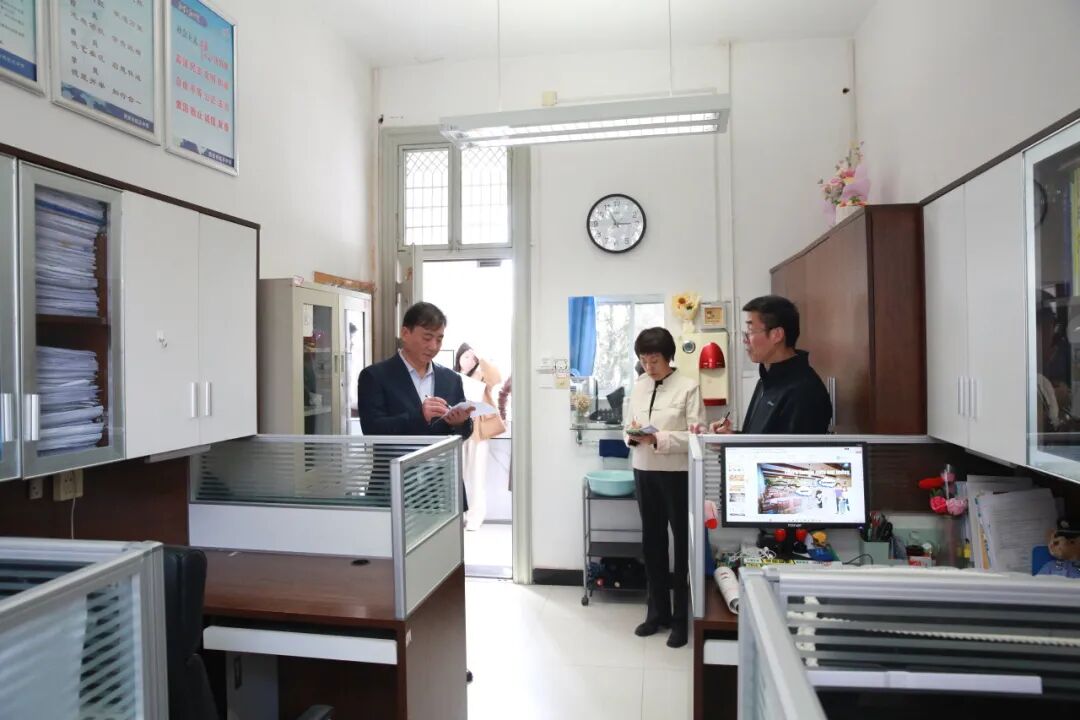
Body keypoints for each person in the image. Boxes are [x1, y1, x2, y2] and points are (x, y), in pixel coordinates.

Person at [356, 301, 475, 686]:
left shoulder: (450, 379)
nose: (434, 346)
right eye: (427, 337)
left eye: (439, 339)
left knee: (444, 579)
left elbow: (464, 433)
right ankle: (397, 658)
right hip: (394, 489)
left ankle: (445, 657)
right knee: (394, 579)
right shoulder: (375, 376)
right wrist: (419, 416)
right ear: (405, 333)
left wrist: (459, 423)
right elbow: (373, 430)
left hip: (440, 490)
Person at [625, 327, 704, 649]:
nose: (649, 366)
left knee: (682, 546)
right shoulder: (639, 386)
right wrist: (632, 436)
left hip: (676, 473)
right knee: (652, 543)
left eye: (654, 360)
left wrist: (658, 438)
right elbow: (627, 426)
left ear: (668, 357)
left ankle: (681, 620)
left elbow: (695, 436)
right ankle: (656, 613)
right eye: (644, 360)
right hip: (644, 470)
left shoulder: (688, 387)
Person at [712, 295, 831, 434]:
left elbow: (790, 448)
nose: (745, 340)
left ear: (777, 335)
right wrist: (729, 437)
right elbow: (759, 440)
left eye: (750, 331)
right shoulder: (766, 381)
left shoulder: (804, 391)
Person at [454, 343, 504, 531]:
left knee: (477, 476)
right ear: (458, 358)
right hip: (457, 432)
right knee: (458, 476)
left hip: (478, 432)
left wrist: (481, 357)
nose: (469, 360)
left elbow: (496, 377)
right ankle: (459, 515)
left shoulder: (481, 375)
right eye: (465, 356)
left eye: (472, 358)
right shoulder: (451, 376)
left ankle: (475, 517)